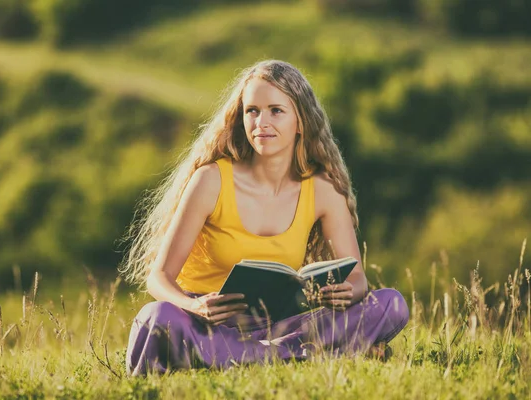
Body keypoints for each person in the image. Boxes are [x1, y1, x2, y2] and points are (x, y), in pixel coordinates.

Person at [119, 60, 409, 376]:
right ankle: (298, 355)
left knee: (391, 304)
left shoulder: (324, 191)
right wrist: (194, 306)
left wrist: (344, 293)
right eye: (252, 111)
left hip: (282, 326)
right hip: (206, 324)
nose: (261, 122)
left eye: (276, 110)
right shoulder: (211, 180)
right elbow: (158, 278)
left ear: (301, 122)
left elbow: (358, 280)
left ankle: (253, 355)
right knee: (155, 318)